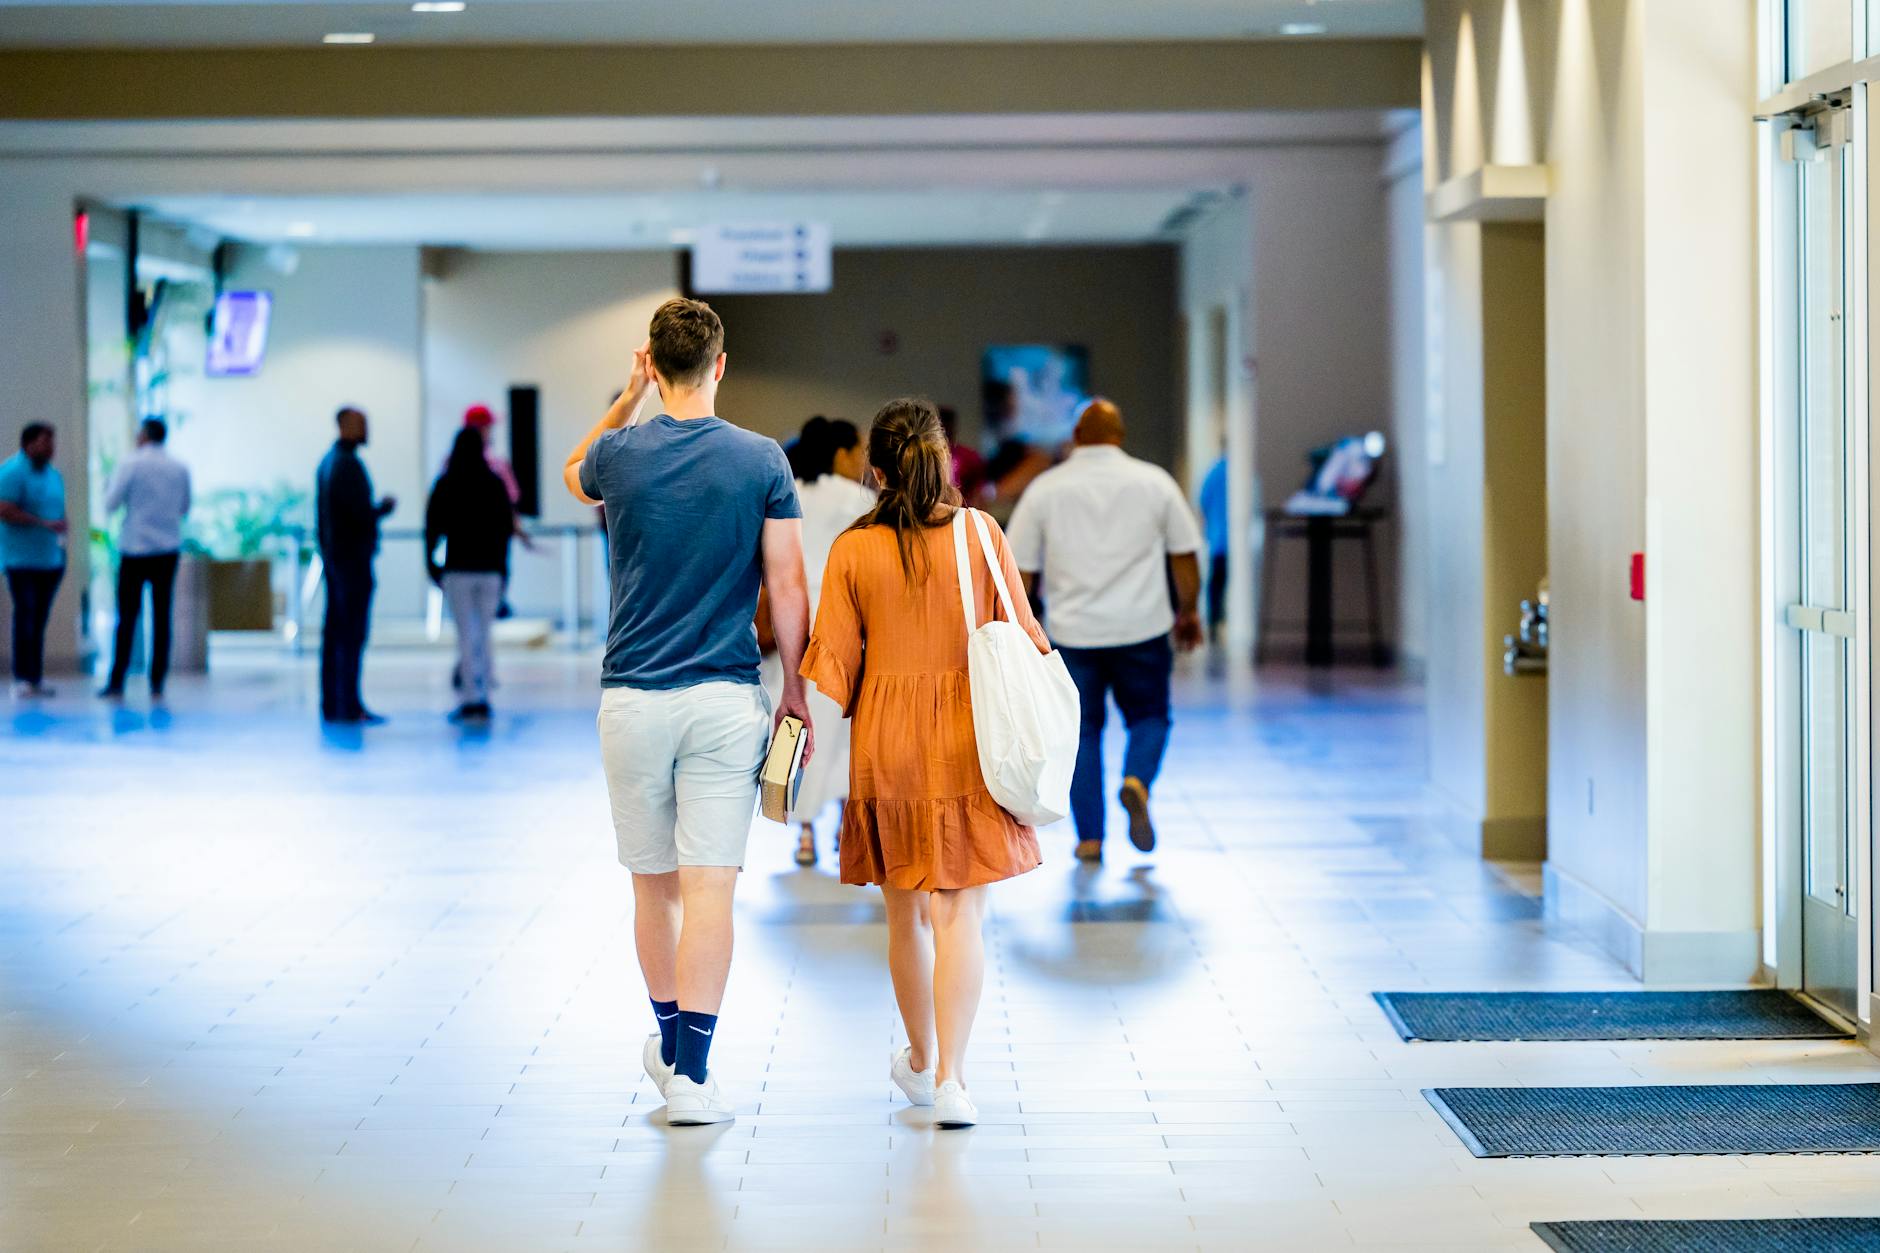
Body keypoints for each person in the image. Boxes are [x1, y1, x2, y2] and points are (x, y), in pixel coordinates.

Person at [562, 298, 813, 1127]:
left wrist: (629, 395)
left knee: (653, 889)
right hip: (724, 698)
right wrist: (798, 687)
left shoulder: (620, 455)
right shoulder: (760, 460)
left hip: (632, 697)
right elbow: (786, 583)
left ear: (653, 364)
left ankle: (669, 1044)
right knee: (712, 890)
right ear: (721, 364)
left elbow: (572, 473)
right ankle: (692, 1077)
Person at [801, 397, 1050, 1130]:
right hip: (968, 735)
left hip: (887, 744)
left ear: (874, 470)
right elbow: (1026, 636)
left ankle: (918, 1055)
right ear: (944, 461)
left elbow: (834, 667)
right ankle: (952, 1079)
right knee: (960, 910)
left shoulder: (852, 548)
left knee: (904, 912)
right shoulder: (981, 532)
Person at [1006, 399, 1203, 863]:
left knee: (1082, 733)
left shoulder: (1046, 489)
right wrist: (1189, 612)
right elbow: (1185, 555)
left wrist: (1024, 628)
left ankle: (1090, 838)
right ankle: (1136, 780)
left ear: (1076, 435)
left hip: (1074, 635)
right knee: (1150, 717)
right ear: (1120, 435)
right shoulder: (1155, 482)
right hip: (1144, 628)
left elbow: (1020, 570)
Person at [765, 416, 874, 868]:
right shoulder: (858, 499)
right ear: (840, 453)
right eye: (856, 452)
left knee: (796, 725)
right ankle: (845, 828)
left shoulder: (787, 493)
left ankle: (803, 831)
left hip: (787, 620)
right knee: (843, 728)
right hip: (841, 621)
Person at [425, 428, 517, 722]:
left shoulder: (446, 483)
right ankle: (484, 695)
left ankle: (469, 698)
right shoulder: (493, 483)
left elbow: (432, 528)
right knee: (484, 633)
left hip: (458, 568)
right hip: (489, 568)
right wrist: (505, 570)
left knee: (466, 635)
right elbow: (505, 530)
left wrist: (431, 566)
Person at [98, 418, 192, 701]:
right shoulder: (179, 467)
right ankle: (157, 683)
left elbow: (110, 504)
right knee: (162, 616)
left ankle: (117, 682)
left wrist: (107, 487)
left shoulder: (130, 464)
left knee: (127, 617)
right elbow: (185, 507)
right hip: (167, 549)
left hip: (135, 549)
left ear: (143, 436)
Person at [316, 407, 396, 725]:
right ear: (345, 425)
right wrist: (380, 510)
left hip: (338, 560)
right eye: (362, 423)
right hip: (350, 563)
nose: (366, 429)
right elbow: (355, 514)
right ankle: (347, 704)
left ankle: (336, 703)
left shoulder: (330, 463)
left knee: (337, 634)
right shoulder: (345, 465)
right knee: (349, 635)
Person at [0, 423, 68, 699]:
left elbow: (60, 512)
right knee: (25, 615)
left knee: (39, 619)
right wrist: (42, 523)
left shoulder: (54, 476)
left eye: (52, 442)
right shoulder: (13, 472)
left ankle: (36, 677)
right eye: (44, 442)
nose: (51, 448)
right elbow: (4, 509)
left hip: (50, 559)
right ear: (28, 444)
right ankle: (21, 677)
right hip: (21, 559)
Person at [1198, 454, 1229, 640]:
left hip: (1217, 539)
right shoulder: (1243, 471)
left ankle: (1214, 621)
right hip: (1234, 541)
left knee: (1216, 584)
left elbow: (1202, 503)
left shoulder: (1213, 472)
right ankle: (1218, 620)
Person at [938, 406, 986, 500]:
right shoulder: (925, 456)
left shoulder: (969, 457)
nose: (945, 430)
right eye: (942, 426)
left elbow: (978, 492)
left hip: (961, 508)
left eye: (948, 425)